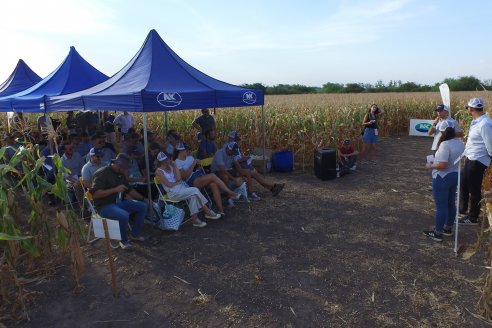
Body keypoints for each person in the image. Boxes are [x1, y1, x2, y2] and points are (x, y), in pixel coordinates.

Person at [91, 153, 147, 250]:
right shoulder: (102, 173)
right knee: (123, 215)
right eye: (126, 168)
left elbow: (129, 189)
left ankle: (135, 235)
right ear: (119, 165)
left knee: (142, 206)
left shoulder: (120, 173)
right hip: (104, 206)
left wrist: (143, 199)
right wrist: (114, 190)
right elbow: (95, 194)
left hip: (118, 203)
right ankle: (124, 241)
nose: (127, 171)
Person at [423, 120, 465, 242]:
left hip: (442, 177)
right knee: (451, 203)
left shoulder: (445, 145)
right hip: (455, 175)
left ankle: (437, 233)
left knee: (441, 206)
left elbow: (442, 165)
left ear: (442, 131)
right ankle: (448, 228)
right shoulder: (460, 143)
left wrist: (430, 166)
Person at [155, 152, 221, 228]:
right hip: (173, 193)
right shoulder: (159, 171)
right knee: (195, 190)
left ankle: (195, 219)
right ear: (164, 160)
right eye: (170, 159)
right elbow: (168, 185)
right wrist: (178, 182)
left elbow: (179, 178)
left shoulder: (171, 166)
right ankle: (207, 211)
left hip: (181, 189)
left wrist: (175, 166)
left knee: (193, 195)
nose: (171, 160)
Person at [175, 143, 240, 215]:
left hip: (199, 176)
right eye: (186, 150)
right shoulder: (177, 162)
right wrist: (194, 164)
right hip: (191, 181)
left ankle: (221, 211)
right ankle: (230, 193)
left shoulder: (190, 157)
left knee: (214, 184)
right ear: (180, 151)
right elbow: (185, 176)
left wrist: (198, 166)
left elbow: (197, 168)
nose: (189, 151)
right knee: (212, 176)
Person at [458, 98, 492, 225]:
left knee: (474, 189)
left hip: (478, 160)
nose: (467, 109)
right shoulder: (477, 121)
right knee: (464, 184)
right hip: (471, 158)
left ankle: (473, 217)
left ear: (471, 109)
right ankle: (463, 209)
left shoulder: (484, 124)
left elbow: (490, 144)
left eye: (468, 107)